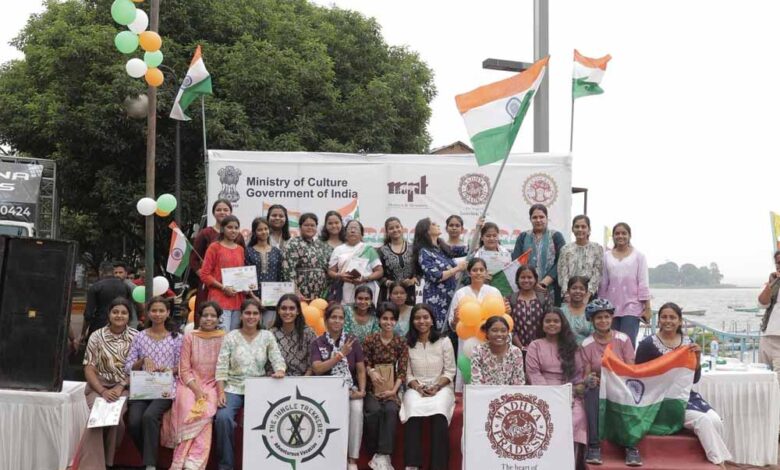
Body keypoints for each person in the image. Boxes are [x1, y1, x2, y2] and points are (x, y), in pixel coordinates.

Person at [636, 302, 732, 468]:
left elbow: (693, 379)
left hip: (685, 395)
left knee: (716, 421)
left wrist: (698, 358)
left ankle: (714, 461)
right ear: (659, 320)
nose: (668, 321)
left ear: (680, 321)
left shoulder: (688, 343)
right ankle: (719, 463)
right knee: (703, 420)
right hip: (662, 400)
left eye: (672, 317)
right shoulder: (648, 344)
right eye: (664, 317)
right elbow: (638, 377)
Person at [215, 299, 286, 470]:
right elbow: (221, 366)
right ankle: (226, 466)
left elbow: (277, 359)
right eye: (247, 313)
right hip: (233, 387)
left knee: (264, 420)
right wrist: (221, 392)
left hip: (258, 388)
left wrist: (280, 370)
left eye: (255, 313)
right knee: (223, 418)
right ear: (241, 315)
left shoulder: (267, 336)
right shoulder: (231, 336)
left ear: (260, 316)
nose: (251, 316)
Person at [74, 297, 138, 470]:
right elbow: (89, 367)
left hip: (124, 387)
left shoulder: (136, 337)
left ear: (129, 316)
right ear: (109, 314)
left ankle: (108, 463)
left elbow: (137, 368)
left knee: (116, 419)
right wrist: (102, 391)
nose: (119, 316)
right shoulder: (97, 335)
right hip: (98, 386)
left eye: (124, 313)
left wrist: (120, 386)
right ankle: (91, 466)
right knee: (98, 415)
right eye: (115, 312)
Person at [125, 297, 183, 470]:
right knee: (134, 422)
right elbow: (128, 367)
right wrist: (142, 360)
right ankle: (149, 457)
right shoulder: (139, 337)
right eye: (154, 310)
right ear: (148, 313)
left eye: (161, 311)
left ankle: (150, 465)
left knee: (149, 416)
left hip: (165, 387)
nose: (158, 314)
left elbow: (182, 366)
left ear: (168, 313)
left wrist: (169, 370)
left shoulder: (176, 338)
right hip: (142, 387)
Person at [579, 298, 636, 466]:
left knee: (628, 393)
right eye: (599, 317)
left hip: (621, 384)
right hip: (600, 386)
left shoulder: (623, 339)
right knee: (590, 390)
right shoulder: (586, 343)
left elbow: (631, 369)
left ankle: (631, 446)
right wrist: (589, 379)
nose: (603, 321)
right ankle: (594, 445)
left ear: (612, 318)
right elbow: (586, 374)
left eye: (606, 317)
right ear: (592, 320)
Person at [400, 304, 456, 470]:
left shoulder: (444, 341)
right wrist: (418, 388)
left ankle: (438, 466)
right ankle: (412, 465)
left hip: (441, 387)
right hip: (416, 388)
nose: (422, 321)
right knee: (412, 410)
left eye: (426, 317)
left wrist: (436, 387)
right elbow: (407, 374)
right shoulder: (407, 343)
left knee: (439, 412)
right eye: (417, 318)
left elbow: (450, 371)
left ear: (432, 320)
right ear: (412, 321)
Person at [310, 304, 367, 470]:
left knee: (357, 410)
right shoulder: (318, 342)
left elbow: (361, 369)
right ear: (326, 320)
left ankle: (352, 460)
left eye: (340, 318)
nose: (337, 321)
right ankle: (331, 459)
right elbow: (317, 368)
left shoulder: (352, 340)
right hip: (326, 392)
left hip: (350, 389)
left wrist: (362, 390)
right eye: (333, 317)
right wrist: (340, 355)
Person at [171, 302, 225, 470]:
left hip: (213, 384)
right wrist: (196, 390)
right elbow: (184, 369)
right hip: (189, 383)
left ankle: (194, 463)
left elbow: (223, 368)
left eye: (213, 316)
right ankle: (179, 461)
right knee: (187, 407)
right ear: (199, 318)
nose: (209, 319)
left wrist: (214, 390)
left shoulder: (224, 337)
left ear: (218, 319)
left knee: (206, 412)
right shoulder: (190, 337)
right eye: (205, 315)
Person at [525, 308, 587, 456]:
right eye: (548, 321)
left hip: (568, 390)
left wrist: (571, 392)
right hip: (542, 392)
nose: (552, 324)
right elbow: (533, 373)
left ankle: (570, 461)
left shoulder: (572, 346)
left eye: (556, 321)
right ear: (542, 324)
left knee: (577, 416)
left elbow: (577, 374)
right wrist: (551, 395)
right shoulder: (535, 345)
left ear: (562, 324)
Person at [362, 302, 409, 470]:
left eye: (392, 319)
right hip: (371, 388)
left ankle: (384, 455)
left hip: (392, 389)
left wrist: (393, 391)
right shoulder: (370, 340)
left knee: (390, 410)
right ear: (379, 320)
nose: (388, 322)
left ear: (396, 321)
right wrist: (371, 372)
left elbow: (402, 371)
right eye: (384, 318)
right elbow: (364, 362)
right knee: (373, 410)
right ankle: (374, 452)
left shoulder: (401, 342)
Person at [448, 257, 504, 389]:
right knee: (466, 378)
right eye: (474, 270)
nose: (478, 273)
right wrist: (455, 319)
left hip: (489, 341)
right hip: (466, 342)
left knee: (491, 377)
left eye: (481, 270)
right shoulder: (460, 293)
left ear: (486, 272)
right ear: (469, 273)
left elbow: (501, 319)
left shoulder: (494, 292)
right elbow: (453, 326)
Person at [598, 222, 651, 347]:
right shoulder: (606, 257)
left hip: (632, 307)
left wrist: (647, 308)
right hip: (611, 307)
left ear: (629, 236)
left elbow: (643, 283)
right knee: (611, 344)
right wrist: (601, 307)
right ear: (613, 236)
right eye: (617, 233)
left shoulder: (639, 256)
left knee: (627, 343)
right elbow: (603, 283)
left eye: (624, 233)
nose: (620, 236)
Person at [412, 217, 468, 331]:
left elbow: (468, 249)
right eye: (433, 224)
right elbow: (436, 276)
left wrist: (478, 228)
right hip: (436, 299)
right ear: (426, 230)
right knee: (437, 331)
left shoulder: (442, 247)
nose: (438, 225)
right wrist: (457, 268)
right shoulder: (424, 251)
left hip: (450, 296)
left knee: (452, 328)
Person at [191, 199, 244, 311]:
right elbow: (194, 259)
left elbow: (243, 264)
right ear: (213, 213)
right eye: (218, 210)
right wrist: (207, 277)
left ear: (230, 212)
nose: (222, 212)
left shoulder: (239, 238)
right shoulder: (205, 233)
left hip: (235, 291)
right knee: (210, 314)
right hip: (211, 286)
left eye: (225, 210)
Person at [511, 204, 566, 305]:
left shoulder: (556, 236)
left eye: (541, 217)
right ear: (530, 219)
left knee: (550, 314)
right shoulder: (523, 237)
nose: (538, 220)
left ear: (547, 218)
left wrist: (544, 283)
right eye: (535, 217)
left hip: (551, 288)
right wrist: (532, 282)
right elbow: (516, 262)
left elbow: (562, 261)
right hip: (527, 287)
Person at [199, 215, 247, 331]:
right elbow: (204, 274)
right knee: (222, 335)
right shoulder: (214, 247)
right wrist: (223, 287)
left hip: (238, 300)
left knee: (235, 336)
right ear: (222, 229)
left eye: (236, 228)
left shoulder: (240, 249)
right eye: (230, 227)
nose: (233, 230)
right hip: (219, 299)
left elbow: (241, 274)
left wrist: (245, 286)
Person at [329, 219, 384, 304]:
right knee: (347, 310)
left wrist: (365, 278)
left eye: (356, 229)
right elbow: (331, 271)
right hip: (345, 289)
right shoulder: (338, 249)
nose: (353, 231)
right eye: (350, 228)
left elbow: (379, 271)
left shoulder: (368, 249)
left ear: (362, 235)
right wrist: (339, 275)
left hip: (366, 289)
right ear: (345, 233)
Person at [281, 212, 331, 302]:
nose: (310, 227)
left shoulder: (321, 245)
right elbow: (288, 272)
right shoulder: (293, 244)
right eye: (306, 225)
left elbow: (327, 269)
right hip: (301, 295)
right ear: (300, 227)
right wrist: (296, 292)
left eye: (312, 225)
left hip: (321, 295)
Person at [244, 216, 283, 327]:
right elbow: (246, 277)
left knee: (270, 330)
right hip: (252, 299)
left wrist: (277, 297)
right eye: (260, 230)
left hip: (272, 300)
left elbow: (279, 276)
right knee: (253, 330)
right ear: (254, 232)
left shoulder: (276, 252)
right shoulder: (248, 251)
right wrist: (254, 298)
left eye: (265, 229)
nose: (263, 232)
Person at [82, 261, 133, 341]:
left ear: (100, 272)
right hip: (119, 327)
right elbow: (129, 309)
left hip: (99, 326)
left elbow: (88, 314)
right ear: (113, 272)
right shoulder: (125, 287)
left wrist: (83, 333)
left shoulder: (95, 287)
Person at [267, 294, 317, 376]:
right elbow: (268, 365)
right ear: (278, 311)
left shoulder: (308, 333)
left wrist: (304, 381)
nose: (287, 312)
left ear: (298, 311)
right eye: (284, 308)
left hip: (304, 379)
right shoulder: (271, 334)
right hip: (277, 379)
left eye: (292, 308)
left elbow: (312, 364)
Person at [558, 215, 603, 302]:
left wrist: (587, 295)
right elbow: (562, 274)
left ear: (589, 229)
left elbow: (597, 273)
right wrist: (566, 294)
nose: (580, 229)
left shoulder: (597, 248)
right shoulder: (565, 249)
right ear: (572, 229)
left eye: (583, 227)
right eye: (577, 227)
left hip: (589, 294)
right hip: (569, 294)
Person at [470, 315, 525, 385]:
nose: (499, 334)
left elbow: (519, 382)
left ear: (508, 332)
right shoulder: (478, 351)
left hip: (510, 392)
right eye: (494, 330)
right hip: (484, 391)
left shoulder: (516, 352)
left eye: (503, 331)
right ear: (487, 333)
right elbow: (476, 382)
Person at [509, 265, 552, 350]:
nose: (526, 280)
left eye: (529, 277)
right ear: (517, 280)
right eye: (523, 277)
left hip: (542, 348)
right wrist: (521, 347)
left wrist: (540, 346)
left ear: (535, 279)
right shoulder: (511, 300)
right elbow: (510, 327)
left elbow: (549, 323)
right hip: (517, 350)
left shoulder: (544, 299)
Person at [378, 216, 416, 303]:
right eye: (391, 228)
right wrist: (389, 283)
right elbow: (377, 274)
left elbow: (419, 270)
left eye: (397, 227)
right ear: (387, 232)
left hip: (409, 293)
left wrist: (413, 280)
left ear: (402, 228)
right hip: (389, 294)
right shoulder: (382, 251)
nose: (395, 230)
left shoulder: (413, 249)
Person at [468, 222, 512, 290]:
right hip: (482, 289)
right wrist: (481, 277)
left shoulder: (506, 253)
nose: (491, 238)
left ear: (498, 237)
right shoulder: (476, 256)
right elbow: (470, 277)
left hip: (503, 289)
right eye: (488, 236)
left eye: (494, 236)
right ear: (482, 238)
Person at [758, 250, 780, 367]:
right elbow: (762, 304)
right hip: (767, 336)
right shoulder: (774, 280)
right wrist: (769, 286)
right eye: (778, 263)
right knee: (762, 374)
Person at [561, 276, 593, 345]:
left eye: (582, 289)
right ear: (568, 291)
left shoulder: (591, 311)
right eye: (574, 288)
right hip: (565, 349)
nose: (578, 291)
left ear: (586, 292)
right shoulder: (561, 312)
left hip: (588, 349)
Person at [113, 261, 140, 327]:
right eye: (115, 273)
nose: (117, 275)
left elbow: (140, 305)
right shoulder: (111, 285)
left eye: (120, 272)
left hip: (130, 322)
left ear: (126, 273)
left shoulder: (131, 286)